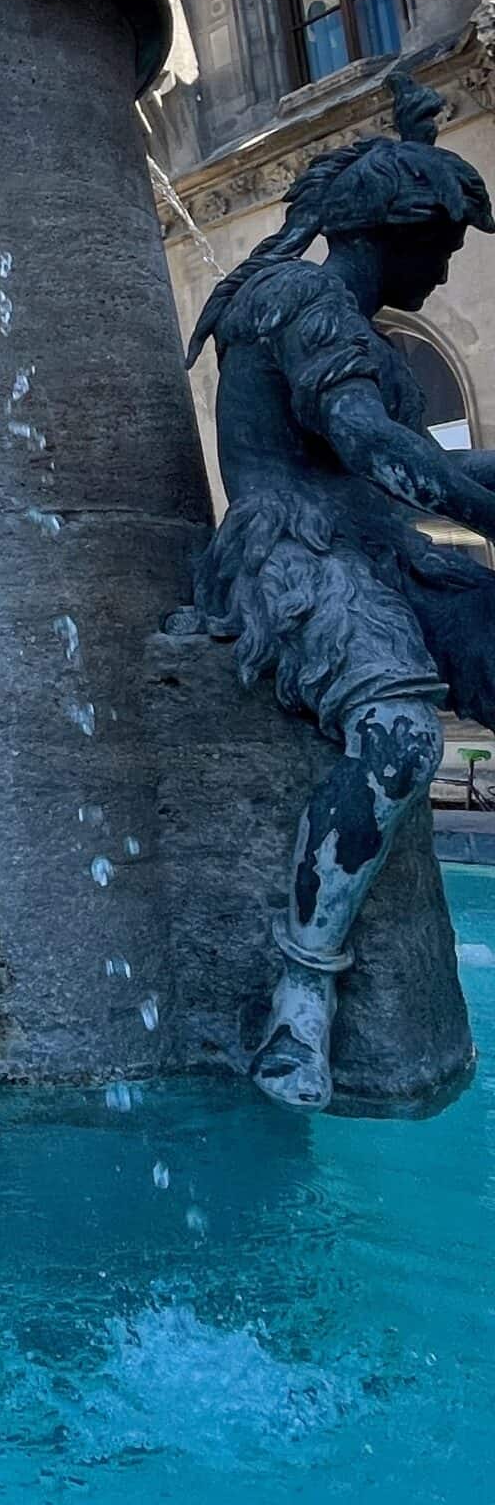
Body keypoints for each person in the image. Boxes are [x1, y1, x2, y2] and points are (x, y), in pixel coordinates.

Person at [184, 72, 495, 1107]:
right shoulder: (297, 300)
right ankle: (299, 997)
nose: (449, 264)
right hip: (290, 546)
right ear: (389, 232)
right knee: (402, 735)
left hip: (372, 535)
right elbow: (367, 442)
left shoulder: (351, 314)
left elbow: (402, 458)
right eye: (442, 243)